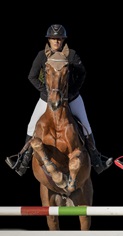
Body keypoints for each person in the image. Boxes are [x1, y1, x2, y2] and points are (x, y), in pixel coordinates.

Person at [5, 24, 113, 176]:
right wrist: (47, 92)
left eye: (59, 39)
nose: (56, 41)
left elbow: (82, 74)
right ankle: (22, 161)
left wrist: (72, 91)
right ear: (49, 40)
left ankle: (97, 161)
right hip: (47, 99)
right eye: (54, 39)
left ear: (63, 40)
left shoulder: (72, 55)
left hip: (71, 98)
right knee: (31, 126)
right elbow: (32, 76)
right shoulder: (42, 56)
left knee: (86, 126)